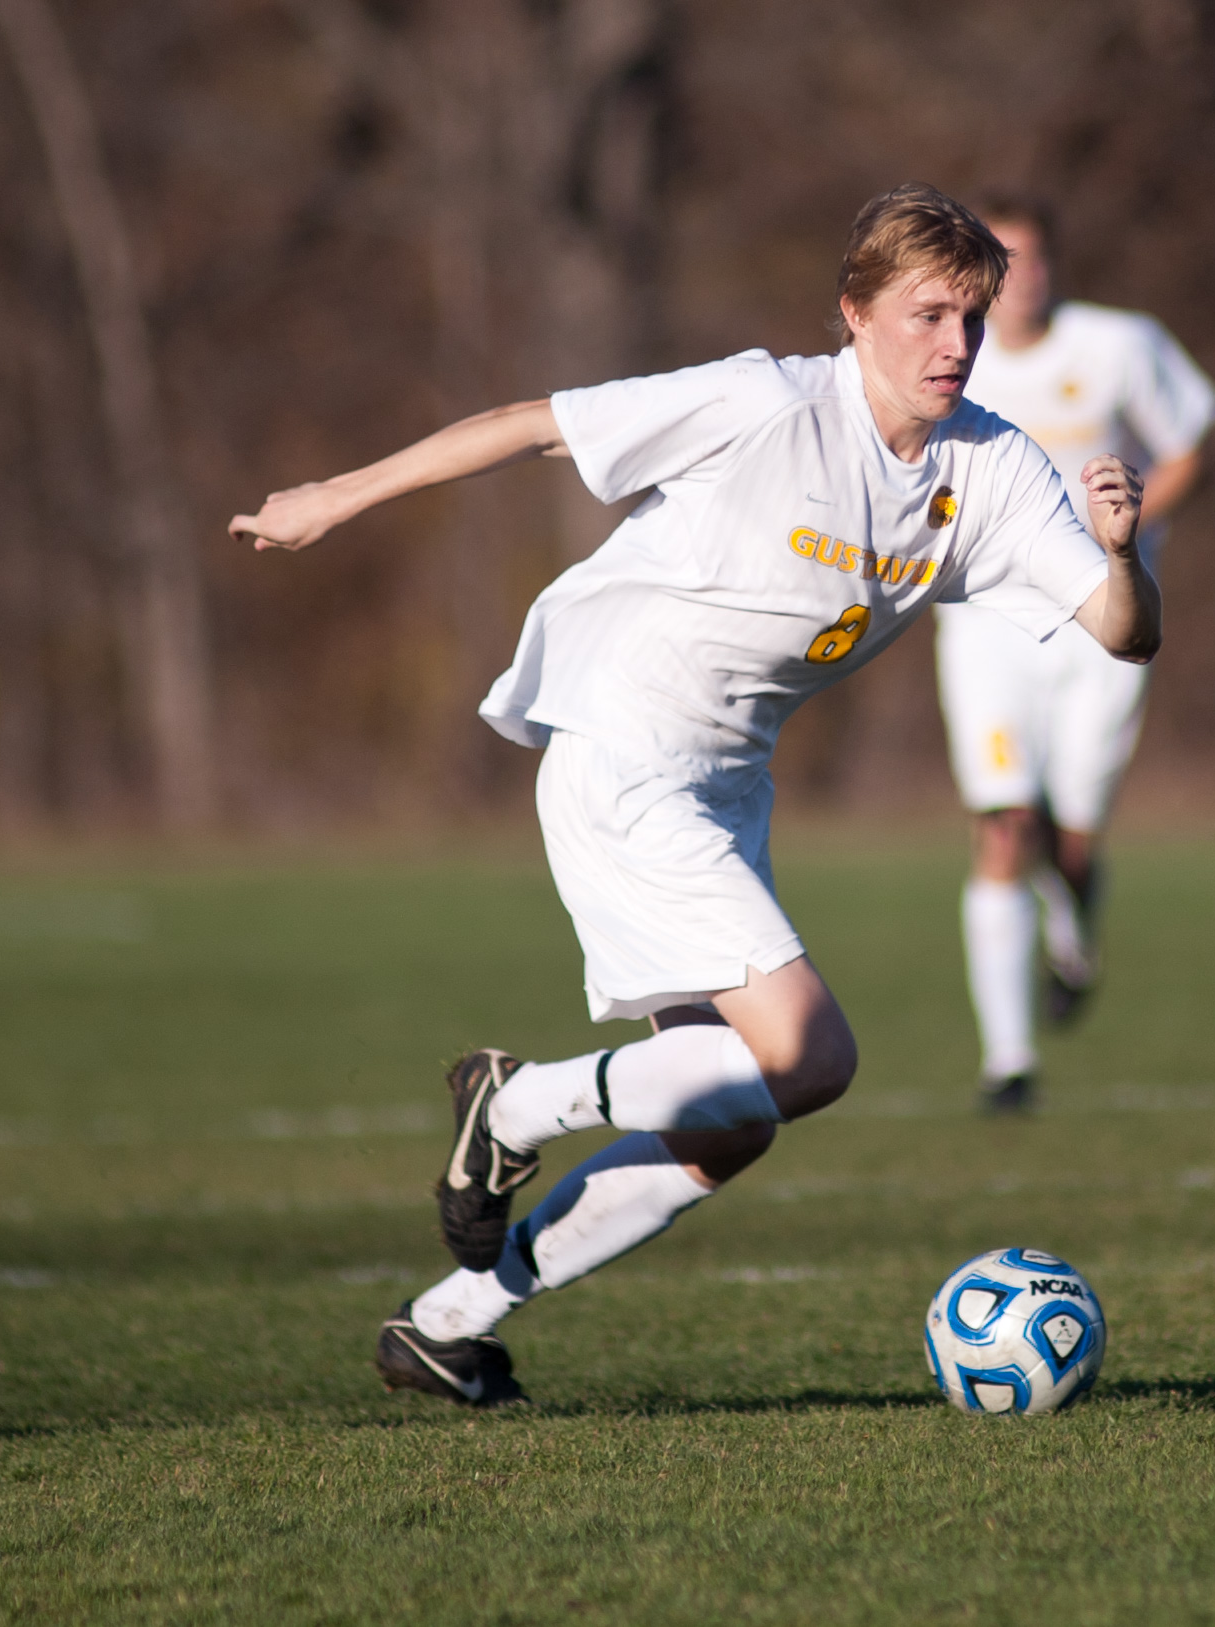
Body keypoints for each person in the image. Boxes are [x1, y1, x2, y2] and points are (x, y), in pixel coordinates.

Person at [230, 183, 1160, 1406]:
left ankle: (448, 1323)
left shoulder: (986, 465)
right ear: (852, 314)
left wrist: (1118, 550)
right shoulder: (764, 400)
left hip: (724, 786)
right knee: (811, 1055)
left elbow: (1121, 634)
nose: (956, 345)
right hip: (623, 748)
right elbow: (530, 425)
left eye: (972, 318)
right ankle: (517, 1102)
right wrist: (331, 499)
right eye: (928, 314)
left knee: (729, 1120)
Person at [934, 194, 1215, 1113]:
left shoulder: (1118, 346)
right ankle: (1008, 1061)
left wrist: (1122, 543)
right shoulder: (946, 358)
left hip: (1100, 617)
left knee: (1074, 835)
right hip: (986, 622)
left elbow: (1189, 447)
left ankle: (1076, 931)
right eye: (1000, 262)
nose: (1020, 280)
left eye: (1033, 258)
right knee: (1004, 823)